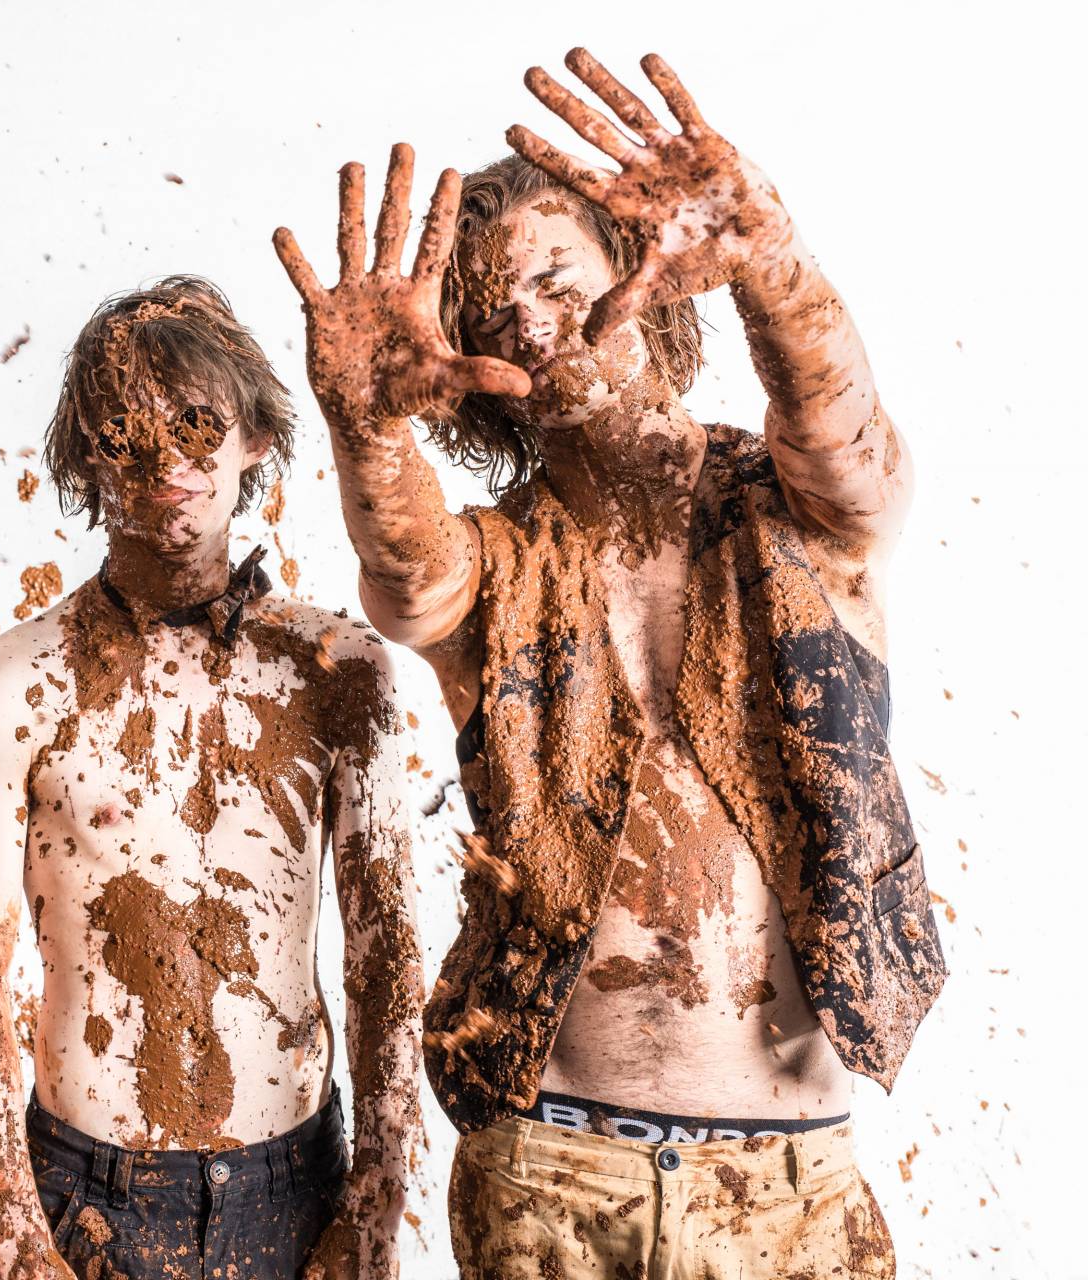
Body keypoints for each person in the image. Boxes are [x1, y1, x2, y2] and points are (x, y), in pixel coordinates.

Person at [273, 49, 946, 1279]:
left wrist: (772, 256)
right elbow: (410, 579)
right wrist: (365, 424)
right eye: (496, 315)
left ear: (644, 273)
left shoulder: (798, 512)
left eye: (554, 277)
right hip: (550, 1175)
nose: (531, 320)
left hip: (792, 1186)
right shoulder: (498, 559)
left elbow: (853, 454)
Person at [0, 277, 424, 1279]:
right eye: (125, 430)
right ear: (86, 454)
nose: (167, 460)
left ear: (254, 438)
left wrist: (378, 1198)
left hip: (299, 1179)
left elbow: (387, 953)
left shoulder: (339, 671)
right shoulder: (7, 683)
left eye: (197, 422)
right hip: (88, 1190)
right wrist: (15, 1233)